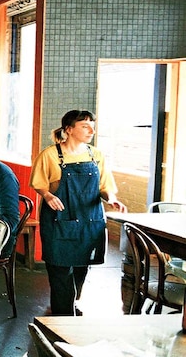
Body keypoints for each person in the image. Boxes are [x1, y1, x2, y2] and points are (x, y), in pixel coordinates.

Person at [31, 109, 126, 316]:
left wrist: (112, 199)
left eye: (92, 124)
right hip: (59, 222)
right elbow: (39, 183)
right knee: (60, 270)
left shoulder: (96, 155)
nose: (91, 129)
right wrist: (47, 196)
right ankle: (62, 318)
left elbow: (104, 186)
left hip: (89, 223)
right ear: (69, 129)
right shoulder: (50, 155)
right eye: (84, 125)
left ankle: (71, 303)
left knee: (82, 268)